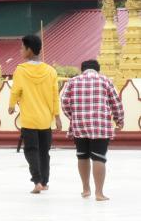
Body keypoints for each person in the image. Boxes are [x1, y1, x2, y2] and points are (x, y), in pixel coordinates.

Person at [59, 59, 125, 201]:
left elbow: (64, 102)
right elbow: (116, 103)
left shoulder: (72, 81)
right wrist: (119, 120)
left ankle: (85, 189)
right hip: (100, 125)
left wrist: (74, 116)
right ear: (98, 70)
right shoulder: (105, 81)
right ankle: (99, 193)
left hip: (79, 125)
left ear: (82, 70)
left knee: (82, 156)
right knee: (98, 157)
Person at [9, 34, 59, 194]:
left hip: (29, 119)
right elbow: (55, 96)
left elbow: (16, 90)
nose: (20, 50)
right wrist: (57, 116)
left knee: (31, 150)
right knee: (44, 152)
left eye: (22, 48)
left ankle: (36, 181)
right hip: (45, 119)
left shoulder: (21, 70)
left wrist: (11, 105)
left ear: (29, 50)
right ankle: (44, 182)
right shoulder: (51, 71)